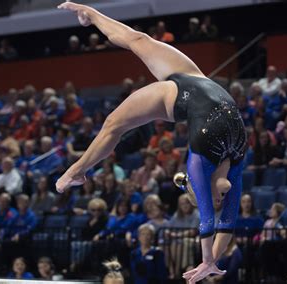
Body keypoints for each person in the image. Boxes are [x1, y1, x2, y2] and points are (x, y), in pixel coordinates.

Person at [56, 3, 246, 282]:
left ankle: (77, 170)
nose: (218, 201)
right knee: (139, 39)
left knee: (113, 124)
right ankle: (89, 14)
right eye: (219, 201)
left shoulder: (199, 163)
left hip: (174, 96)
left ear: (198, 186)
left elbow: (207, 221)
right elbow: (225, 224)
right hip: (196, 77)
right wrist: (212, 260)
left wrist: (207, 262)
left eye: (212, 200)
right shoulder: (238, 161)